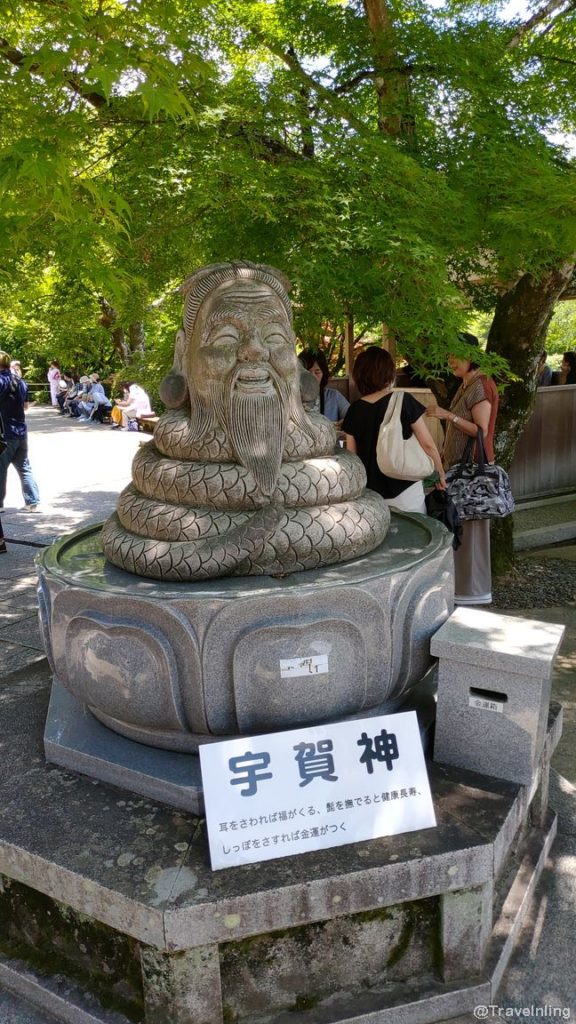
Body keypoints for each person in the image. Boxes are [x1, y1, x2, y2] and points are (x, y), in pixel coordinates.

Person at [426, 332, 499, 606]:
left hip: (473, 471)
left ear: (472, 356)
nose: (451, 360)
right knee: (462, 527)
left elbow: (480, 430)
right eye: (449, 355)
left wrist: (448, 415)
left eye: (456, 354)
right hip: (461, 468)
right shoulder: (467, 383)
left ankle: (474, 591)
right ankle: (464, 589)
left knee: (471, 530)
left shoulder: (480, 385)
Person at [342, 346, 445, 514]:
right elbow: (428, 444)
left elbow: (352, 456)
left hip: (372, 496)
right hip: (406, 490)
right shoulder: (403, 400)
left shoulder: (354, 410)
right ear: (388, 373)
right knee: (414, 537)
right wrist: (440, 473)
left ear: (359, 376)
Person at [0, 351, 41, 512]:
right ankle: (32, 502)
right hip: (21, 430)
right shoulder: (20, 381)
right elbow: (25, 405)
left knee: (1, 468)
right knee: (24, 466)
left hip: (4, 432)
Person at [298, 349, 350, 423]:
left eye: (317, 372)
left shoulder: (333, 396)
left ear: (324, 373)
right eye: (308, 373)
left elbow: (353, 417)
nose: (312, 377)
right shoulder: (292, 399)